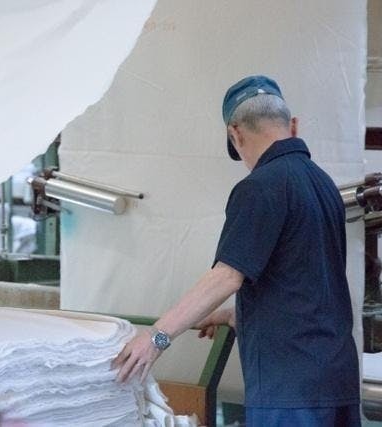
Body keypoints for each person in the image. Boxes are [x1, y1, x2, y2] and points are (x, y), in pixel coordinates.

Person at [112, 75, 361, 426]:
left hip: (289, 391)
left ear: (236, 134)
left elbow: (227, 276)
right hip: (336, 378)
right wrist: (236, 314)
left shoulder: (260, 187)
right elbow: (304, 281)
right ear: (292, 125)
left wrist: (157, 337)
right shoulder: (323, 185)